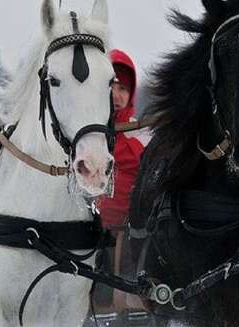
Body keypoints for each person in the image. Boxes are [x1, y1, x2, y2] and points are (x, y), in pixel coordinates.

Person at [94, 49, 151, 313]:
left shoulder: (142, 133)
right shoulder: (85, 136)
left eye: (124, 89)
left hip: (132, 234)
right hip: (92, 231)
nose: (117, 96)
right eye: (112, 87)